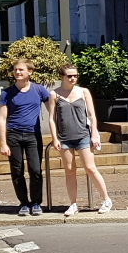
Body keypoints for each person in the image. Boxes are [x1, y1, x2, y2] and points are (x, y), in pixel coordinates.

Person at [48, 64, 114, 216]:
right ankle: (73, 203)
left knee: (90, 168)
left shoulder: (83, 92)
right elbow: (51, 118)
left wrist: (94, 135)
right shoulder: (55, 94)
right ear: (62, 77)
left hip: (83, 135)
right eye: (69, 76)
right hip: (64, 137)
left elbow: (91, 115)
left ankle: (106, 199)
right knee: (70, 171)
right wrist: (54, 137)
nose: (72, 78)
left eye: (75, 76)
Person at [0, 59, 54, 216]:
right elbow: (2, 118)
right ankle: (24, 203)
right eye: (16, 69)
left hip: (32, 135)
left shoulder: (39, 90)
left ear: (30, 72)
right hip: (13, 134)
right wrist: (3, 143)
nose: (17, 72)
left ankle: (36, 202)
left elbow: (52, 111)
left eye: (21, 69)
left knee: (35, 170)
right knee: (17, 171)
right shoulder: (7, 93)